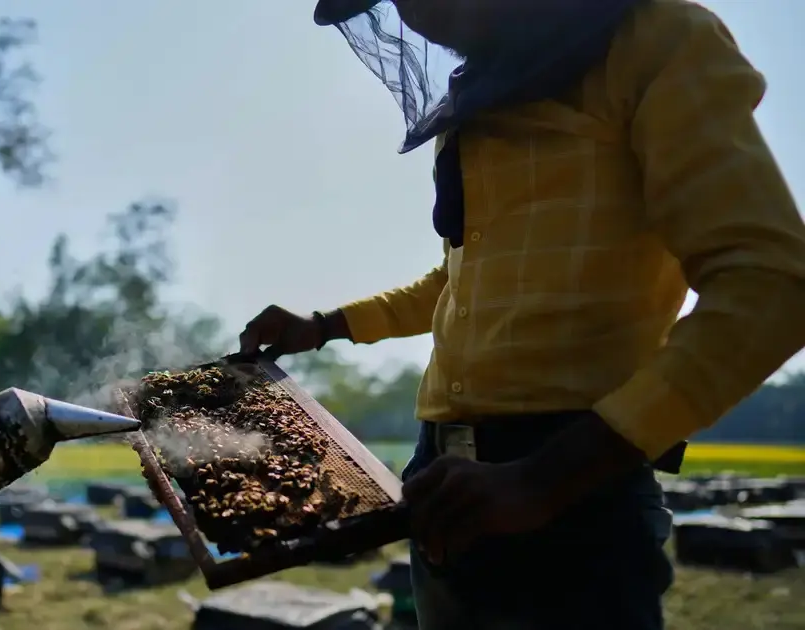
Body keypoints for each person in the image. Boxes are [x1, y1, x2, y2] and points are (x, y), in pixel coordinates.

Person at [240, 0, 805, 628]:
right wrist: (323, 326)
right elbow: (455, 282)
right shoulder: (474, 103)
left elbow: (770, 284)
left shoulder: (655, 40)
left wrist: (542, 481)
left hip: (576, 489)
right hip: (440, 485)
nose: (416, 15)